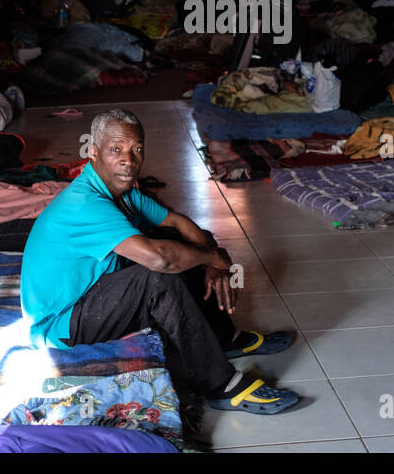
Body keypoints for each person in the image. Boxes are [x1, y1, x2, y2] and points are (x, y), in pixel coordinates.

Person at [20, 108, 300, 414]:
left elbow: (177, 222)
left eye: (136, 149)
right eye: (116, 150)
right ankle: (219, 386)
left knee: (183, 246)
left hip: (93, 293)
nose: (129, 160)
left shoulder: (122, 191)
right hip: (61, 325)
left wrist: (210, 260)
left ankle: (225, 338)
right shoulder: (87, 203)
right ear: (94, 152)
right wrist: (214, 257)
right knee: (160, 273)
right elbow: (160, 261)